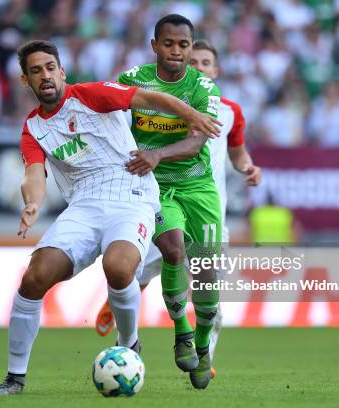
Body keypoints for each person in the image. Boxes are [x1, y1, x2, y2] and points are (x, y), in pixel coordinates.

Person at [0, 39, 221, 395]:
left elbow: (150, 98)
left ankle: (128, 344)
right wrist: (32, 203)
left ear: (61, 72)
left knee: (118, 266)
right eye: (36, 71)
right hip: (82, 206)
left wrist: (191, 116)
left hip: (132, 193)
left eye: (50, 68)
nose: (45, 76)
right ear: (26, 81)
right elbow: (34, 173)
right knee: (34, 277)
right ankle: (15, 377)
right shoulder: (33, 128)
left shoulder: (90, 95)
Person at [95, 38, 261, 380]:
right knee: (156, 260)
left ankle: (204, 356)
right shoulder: (153, 92)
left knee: (206, 281)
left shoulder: (227, 110)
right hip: (163, 192)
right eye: (193, 60)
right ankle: (125, 330)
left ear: (215, 70)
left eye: (204, 62)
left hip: (206, 201)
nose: (197, 66)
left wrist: (247, 167)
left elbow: (237, 152)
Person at [114, 14, 224, 389]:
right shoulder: (133, 80)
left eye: (184, 45)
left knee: (207, 270)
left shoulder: (203, 88)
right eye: (169, 43)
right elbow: (105, 111)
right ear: (155, 46)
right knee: (174, 249)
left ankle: (204, 344)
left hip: (198, 187)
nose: (176, 51)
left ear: (191, 48)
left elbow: (196, 142)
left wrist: (158, 154)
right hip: (153, 187)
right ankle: (182, 333)